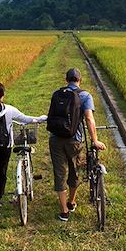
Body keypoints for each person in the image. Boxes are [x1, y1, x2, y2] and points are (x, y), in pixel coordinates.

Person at [47, 68, 106, 222]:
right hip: (74, 140)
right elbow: (89, 119)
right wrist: (94, 140)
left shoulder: (56, 94)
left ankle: (64, 211)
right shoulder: (85, 95)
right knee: (75, 172)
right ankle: (71, 202)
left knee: (59, 173)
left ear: (66, 80)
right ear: (80, 80)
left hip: (55, 138)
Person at [0, 82, 47, 215]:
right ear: (3, 95)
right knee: (2, 173)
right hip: (5, 147)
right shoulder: (10, 110)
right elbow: (25, 119)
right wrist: (41, 119)